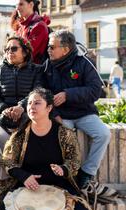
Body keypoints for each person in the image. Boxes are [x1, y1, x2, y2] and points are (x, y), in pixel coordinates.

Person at [0, 87, 92, 210]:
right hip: (26, 185)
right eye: (30, 103)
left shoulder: (64, 133)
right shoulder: (20, 135)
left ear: (49, 107)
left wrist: (64, 169)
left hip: (59, 186)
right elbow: (8, 162)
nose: (32, 107)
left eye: (37, 103)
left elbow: (75, 161)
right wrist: (24, 177)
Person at [43, 29, 111, 189]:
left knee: (103, 134)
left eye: (52, 47)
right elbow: (41, 92)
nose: (48, 50)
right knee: (61, 138)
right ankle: (65, 175)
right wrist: (54, 114)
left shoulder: (84, 62)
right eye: (48, 47)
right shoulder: (47, 66)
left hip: (84, 113)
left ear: (65, 49)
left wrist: (68, 94)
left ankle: (86, 173)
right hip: (61, 116)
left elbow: (96, 90)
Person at [0, 36, 43, 149]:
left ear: (25, 52)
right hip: (4, 117)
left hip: (29, 115)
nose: (9, 52)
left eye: (13, 49)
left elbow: (38, 91)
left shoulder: (37, 70)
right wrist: (4, 109)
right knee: (2, 148)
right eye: (6, 49)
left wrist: (21, 107)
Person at [11, 0, 51, 64]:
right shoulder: (21, 28)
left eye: (21, 4)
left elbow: (27, 54)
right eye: (16, 5)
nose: (17, 8)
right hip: (22, 69)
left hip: (33, 71)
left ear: (31, 5)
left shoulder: (39, 26)